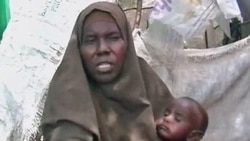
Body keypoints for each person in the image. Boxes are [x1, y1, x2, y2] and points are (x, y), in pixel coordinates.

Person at [41, 1, 173, 141]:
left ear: (127, 42)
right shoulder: (68, 90)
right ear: (79, 47)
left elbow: (182, 125)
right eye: (91, 40)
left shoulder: (143, 77)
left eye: (113, 38)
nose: (102, 49)